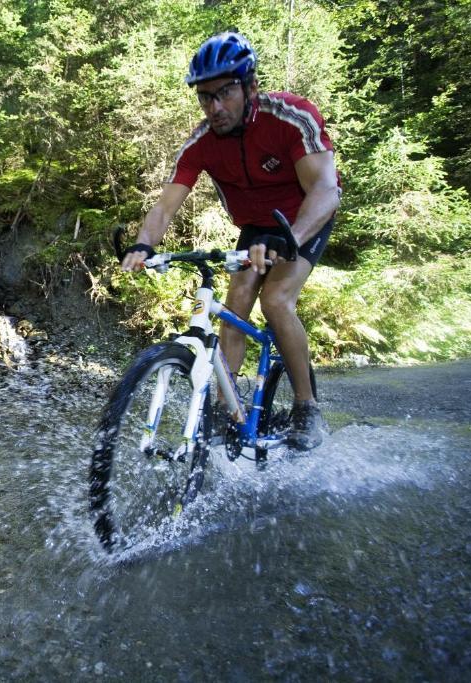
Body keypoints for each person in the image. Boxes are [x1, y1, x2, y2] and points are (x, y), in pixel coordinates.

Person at [120, 31, 340, 450]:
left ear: (251, 86)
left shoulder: (290, 116)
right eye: (205, 97)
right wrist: (143, 244)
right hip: (257, 225)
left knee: (276, 300)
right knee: (234, 305)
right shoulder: (201, 143)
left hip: (304, 217)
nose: (215, 107)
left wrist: (290, 237)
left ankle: (306, 407)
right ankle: (225, 412)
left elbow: (326, 191)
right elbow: (165, 206)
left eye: (225, 93)